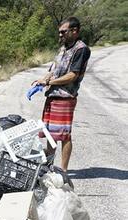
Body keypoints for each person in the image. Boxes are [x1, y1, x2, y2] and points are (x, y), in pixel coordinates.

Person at [32, 16, 91, 172]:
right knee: (50, 133)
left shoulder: (81, 49)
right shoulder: (63, 48)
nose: (60, 35)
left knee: (64, 135)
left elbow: (73, 75)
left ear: (74, 31)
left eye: (63, 32)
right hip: (52, 96)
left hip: (65, 97)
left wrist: (50, 82)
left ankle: (64, 171)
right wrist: (42, 80)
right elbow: (53, 70)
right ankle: (49, 166)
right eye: (59, 32)